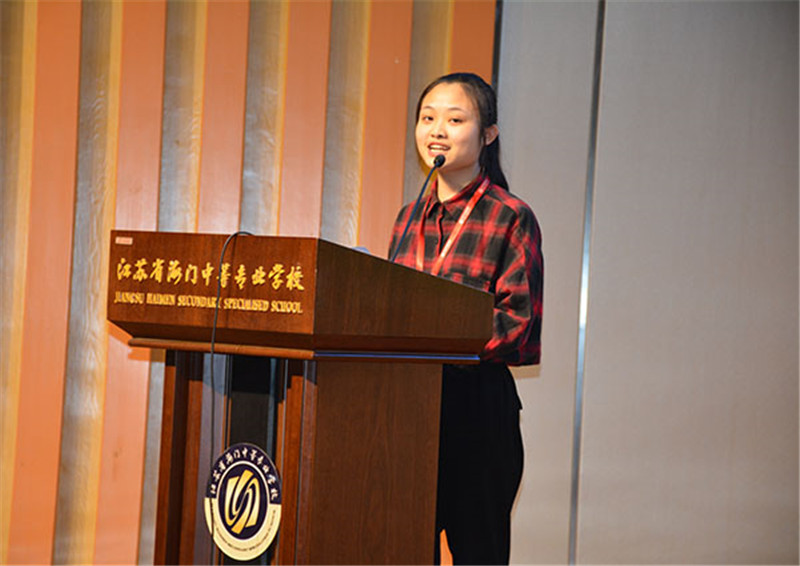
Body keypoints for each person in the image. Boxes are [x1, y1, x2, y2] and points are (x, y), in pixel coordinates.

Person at [388, 72, 543, 565]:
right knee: (403, 549)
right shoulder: (407, 218)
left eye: (455, 120)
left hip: (477, 409)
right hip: (409, 407)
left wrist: (438, 336)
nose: (437, 130)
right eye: (428, 118)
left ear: (488, 135)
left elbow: (518, 325)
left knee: (479, 554)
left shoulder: (510, 216)